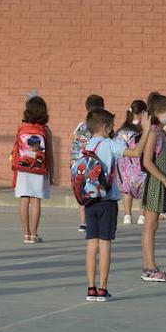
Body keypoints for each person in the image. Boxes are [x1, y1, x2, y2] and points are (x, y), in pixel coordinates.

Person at [81, 108, 152, 301]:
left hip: (89, 200)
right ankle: (103, 289)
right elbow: (136, 152)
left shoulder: (86, 145)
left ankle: (90, 288)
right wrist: (146, 131)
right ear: (105, 127)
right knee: (105, 245)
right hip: (107, 201)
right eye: (111, 126)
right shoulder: (110, 144)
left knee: (91, 245)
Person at [139, 93, 166, 282]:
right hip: (155, 182)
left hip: (162, 181)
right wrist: (164, 180)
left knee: (153, 226)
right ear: (157, 113)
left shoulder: (162, 133)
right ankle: (149, 268)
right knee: (150, 226)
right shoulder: (153, 134)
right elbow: (147, 162)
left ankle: (150, 266)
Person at [13, 94, 54, 244]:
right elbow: (49, 153)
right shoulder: (45, 130)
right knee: (36, 201)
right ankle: (34, 234)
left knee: (24, 200)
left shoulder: (22, 127)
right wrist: (52, 171)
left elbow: (16, 148)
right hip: (39, 168)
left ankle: (26, 234)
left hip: (23, 168)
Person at [71, 94, 105, 232]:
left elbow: (75, 145)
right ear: (102, 107)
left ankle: (83, 221)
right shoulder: (102, 126)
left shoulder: (81, 126)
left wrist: (73, 164)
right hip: (96, 164)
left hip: (80, 163)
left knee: (82, 191)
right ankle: (96, 219)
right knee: (97, 190)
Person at [116, 100, 147, 225]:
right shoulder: (142, 128)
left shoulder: (122, 129)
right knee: (142, 187)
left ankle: (127, 215)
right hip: (138, 162)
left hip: (123, 163)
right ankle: (141, 216)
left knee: (126, 188)